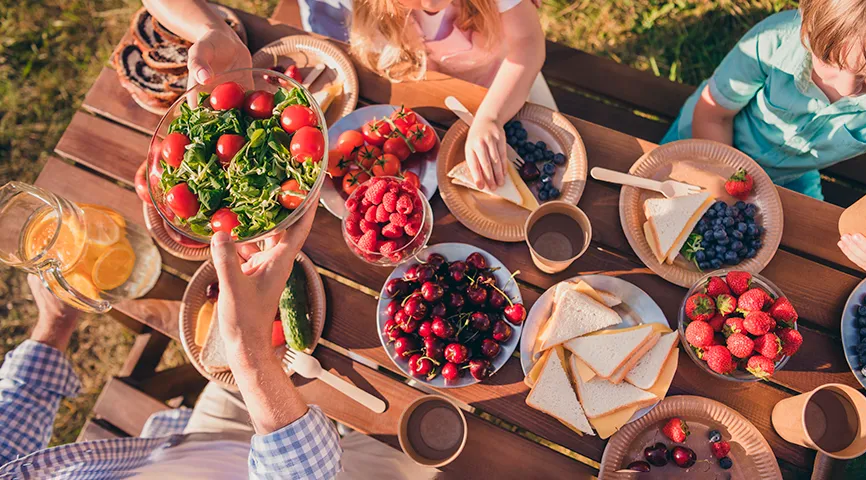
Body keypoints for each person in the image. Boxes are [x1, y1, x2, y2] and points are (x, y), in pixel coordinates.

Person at [0, 205, 344, 478]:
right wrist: (249, 352)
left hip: (198, 442)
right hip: (327, 472)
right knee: (388, 442)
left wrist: (53, 328)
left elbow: (8, 442)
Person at [660, 0, 866, 202]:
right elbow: (714, 115)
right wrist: (726, 191)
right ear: (807, 27)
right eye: (828, 60)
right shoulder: (775, 41)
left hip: (788, 175)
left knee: (805, 234)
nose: (847, 89)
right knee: (658, 196)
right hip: (708, 137)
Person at [349, 0, 554, 191]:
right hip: (444, 97)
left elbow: (528, 44)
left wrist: (490, 116)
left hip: (508, 88)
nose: (430, 3)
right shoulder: (379, 12)